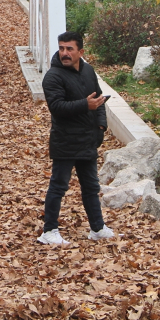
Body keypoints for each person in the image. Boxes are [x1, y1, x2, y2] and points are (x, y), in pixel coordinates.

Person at [38, 31, 115, 244]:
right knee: (59, 185)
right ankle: (49, 231)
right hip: (65, 140)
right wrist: (85, 105)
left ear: (80, 51)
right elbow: (56, 107)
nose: (64, 53)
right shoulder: (53, 76)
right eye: (61, 48)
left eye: (69, 49)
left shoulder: (88, 71)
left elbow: (99, 99)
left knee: (91, 186)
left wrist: (101, 126)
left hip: (88, 139)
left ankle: (97, 228)